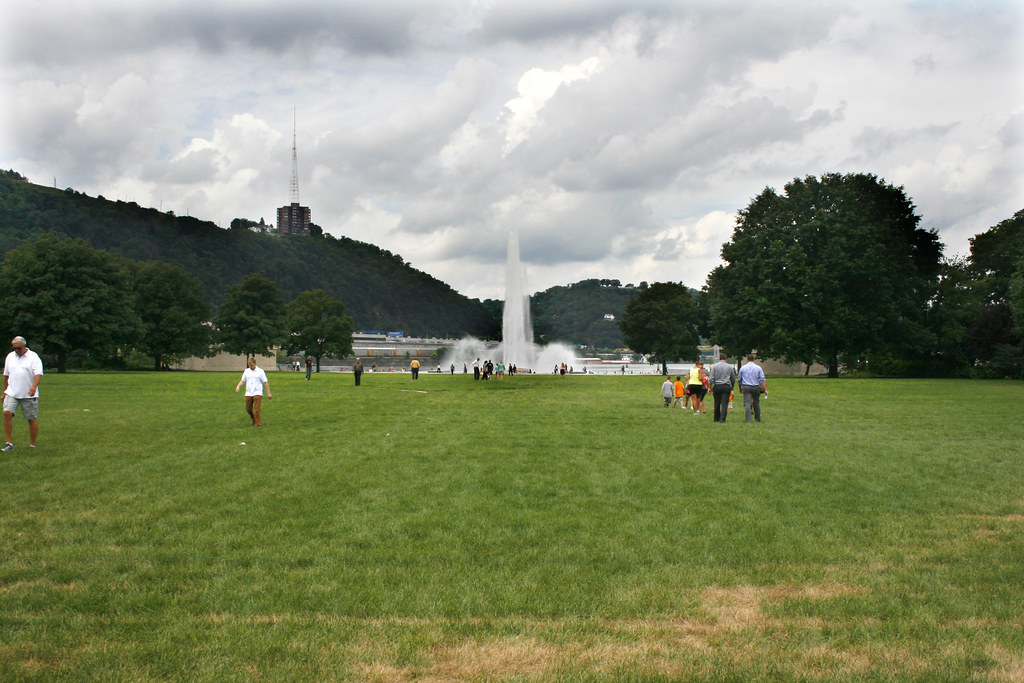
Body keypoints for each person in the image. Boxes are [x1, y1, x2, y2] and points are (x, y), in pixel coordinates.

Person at [2, 336, 43, 451]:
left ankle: (32, 445)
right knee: (6, 414)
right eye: (14, 348)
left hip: (28, 394)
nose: (16, 350)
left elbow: (38, 373)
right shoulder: (10, 357)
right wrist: (4, 392)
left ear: (24, 346)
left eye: (19, 348)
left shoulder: (33, 357)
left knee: (31, 418)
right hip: (12, 392)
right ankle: (9, 443)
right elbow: (6, 376)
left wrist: (34, 386)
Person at [235, 357, 272, 426]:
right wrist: (238, 386)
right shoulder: (246, 371)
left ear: (255, 363)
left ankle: (257, 424)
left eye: (251, 365)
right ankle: (254, 419)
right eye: (249, 365)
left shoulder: (260, 371)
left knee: (256, 409)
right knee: (248, 409)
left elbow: (265, 382)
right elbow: (243, 380)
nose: (250, 366)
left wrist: (268, 393)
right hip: (249, 392)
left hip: (257, 392)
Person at [738, 355, 767, 423]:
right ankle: (758, 418)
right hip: (755, 387)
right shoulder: (758, 368)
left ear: (747, 359)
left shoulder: (743, 368)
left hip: (746, 387)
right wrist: (765, 389)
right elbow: (762, 379)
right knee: (756, 403)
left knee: (748, 403)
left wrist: (740, 389)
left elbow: (739, 380)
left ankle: (748, 420)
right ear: (754, 360)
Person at [708, 354, 737, 423]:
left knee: (717, 403)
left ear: (719, 358)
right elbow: (732, 378)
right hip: (726, 386)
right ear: (726, 359)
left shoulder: (714, 366)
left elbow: (711, 378)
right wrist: (732, 386)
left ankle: (716, 418)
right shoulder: (730, 367)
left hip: (717, 386)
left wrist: (710, 386)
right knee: (724, 403)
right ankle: (722, 419)